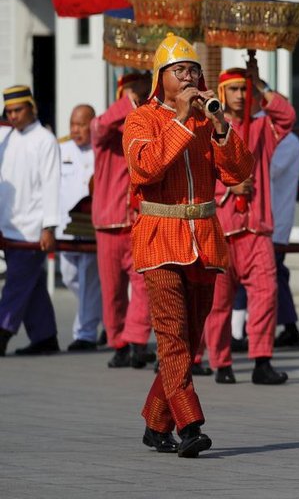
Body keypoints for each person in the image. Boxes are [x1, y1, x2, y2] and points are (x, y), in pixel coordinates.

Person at [123, 33, 253, 457]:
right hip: (159, 239)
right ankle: (190, 422)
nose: (190, 76)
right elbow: (145, 168)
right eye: (180, 71)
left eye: (194, 69)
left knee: (190, 339)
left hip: (204, 240)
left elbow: (238, 173)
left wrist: (219, 127)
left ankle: (156, 422)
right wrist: (179, 121)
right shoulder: (142, 119)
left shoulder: (205, 120)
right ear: (161, 79)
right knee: (173, 338)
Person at [202, 65, 295, 385]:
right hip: (222, 228)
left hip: (257, 229)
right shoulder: (207, 128)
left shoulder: (262, 128)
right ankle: (222, 363)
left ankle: (261, 361)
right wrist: (230, 187)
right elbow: (201, 174)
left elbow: (287, 117)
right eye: (235, 89)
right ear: (222, 92)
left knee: (266, 295)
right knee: (218, 302)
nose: (241, 95)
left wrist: (261, 85)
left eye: (245, 89)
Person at [93, 73, 157, 369]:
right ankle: (118, 342)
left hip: (137, 221)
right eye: (135, 94)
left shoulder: (148, 129)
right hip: (107, 223)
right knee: (112, 291)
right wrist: (128, 101)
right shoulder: (105, 131)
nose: (140, 100)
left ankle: (136, 340)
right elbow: (99, 127)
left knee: (143, 285)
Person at [0, 85, 61, 356]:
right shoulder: (6, 138)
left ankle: (2, 332)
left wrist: (49, 227)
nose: (13, 116)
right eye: (9, 111)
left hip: (33, 229)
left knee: (16, 283)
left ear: (31, 107)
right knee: (31, 284)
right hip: (8, 225)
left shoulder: (45, 140)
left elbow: (51, 186)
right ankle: (45, 336)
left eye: (18, 110)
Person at [58, 104, 102, 351]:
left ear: (92, 124)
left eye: (81, 124)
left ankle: (85, 333)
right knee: (69, 276)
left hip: (91, 227)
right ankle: (106, 315)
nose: (76, 130)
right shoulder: (61, 149)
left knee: (88, 279)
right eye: (72, 124)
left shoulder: (101, 150)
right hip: (66, 227)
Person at [271, 129, 299, 347]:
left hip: (274, 220)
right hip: (266, 219)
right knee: (276, 275)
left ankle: (289, 326)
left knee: (273, 276)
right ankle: (289, 325)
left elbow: (267, 170)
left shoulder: (288, 141)